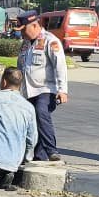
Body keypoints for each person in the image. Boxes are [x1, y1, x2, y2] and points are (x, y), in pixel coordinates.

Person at [16, 12, 68, 162]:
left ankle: (52, 150)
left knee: (40, 112)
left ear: (34, 25)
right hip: (28, 90)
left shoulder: (51, 41)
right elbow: (21, 67)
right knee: (31, 121)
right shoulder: (26, 43)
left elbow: (60, 67)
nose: (21, 34)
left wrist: (62, 90)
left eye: (23, 30)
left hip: (46, 89)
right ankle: (40, 155)